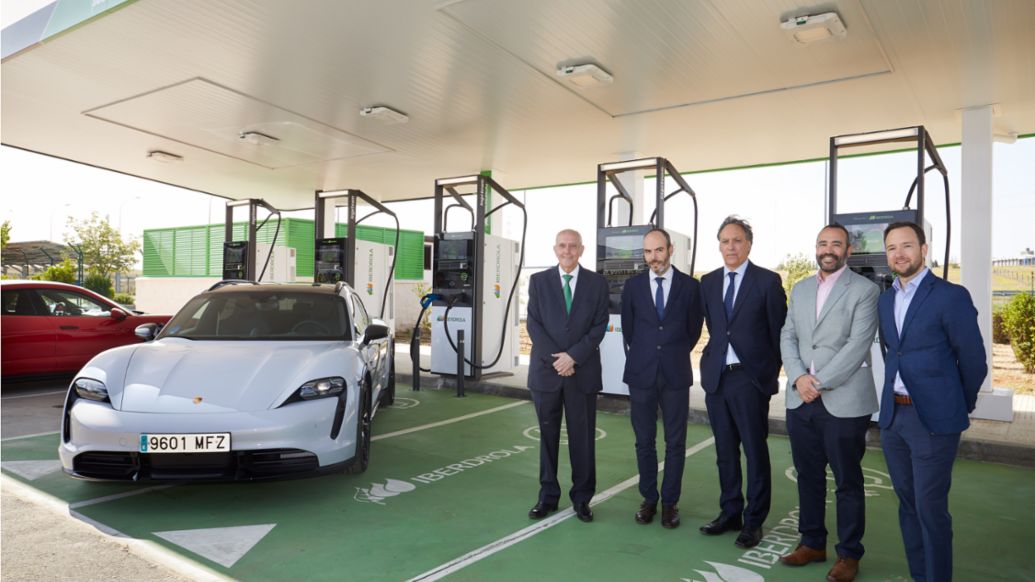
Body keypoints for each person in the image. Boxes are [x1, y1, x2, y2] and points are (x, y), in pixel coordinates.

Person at [877, 222, 987, 582]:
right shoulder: (886, 298)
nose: (899, 254)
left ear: (924, 249)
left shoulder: (950, 296)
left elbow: (973, 360)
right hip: (894, 418)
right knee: (908, 506)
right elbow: (894, 352)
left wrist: (957, 404)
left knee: (930, 509)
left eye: (907, 245)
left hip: (933, 422)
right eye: (892, 247)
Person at [779, 224, 880, 582]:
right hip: (800, 398)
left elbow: (857, 346)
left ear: (848, 250)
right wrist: (797, 378)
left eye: (836, 244)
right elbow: (788, 335)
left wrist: (817, 383)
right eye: (823, 243)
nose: (828, 249)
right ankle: (812, 542)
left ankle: (849, 554)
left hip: (844, 400)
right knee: (808, 476)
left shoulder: (865, 291)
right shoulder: (802, 289)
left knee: (847, 480)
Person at [698, 215, 787, 549]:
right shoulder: (707, 282)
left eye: (737, 240)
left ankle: (754, 521)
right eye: (725, 241)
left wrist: (768, 375)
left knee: (754, 450)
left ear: (749, 244)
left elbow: (779, 333)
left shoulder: (766, 281)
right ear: (719, 245)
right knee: (724, 452)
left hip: (750, 379)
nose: (730, 246)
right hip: (717, 379)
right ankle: (730, 512)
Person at [620, 227, 704, 529]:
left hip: (675, 373)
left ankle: (670, 502)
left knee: (675, 442)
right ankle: (649, 499)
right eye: (647, 252)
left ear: (670, 250)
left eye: (658, 250)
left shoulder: (690, 287)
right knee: (644, 441)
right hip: (641, 373)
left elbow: (693, 329)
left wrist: (670, 353)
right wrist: (648, 355)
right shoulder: (633, 286)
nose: (653, 257)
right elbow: (630, 330)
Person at [525, 229, 609, 523]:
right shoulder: (538, 282)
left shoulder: (597, 284)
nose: (567, 250)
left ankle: (582, 498)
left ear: (581, 250)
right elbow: (534, 325)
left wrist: (573, 357)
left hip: (581, 372)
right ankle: (547, 496)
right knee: (548, 437)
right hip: (547, 373)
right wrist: (559, 360)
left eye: (573, 246)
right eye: (562, 245)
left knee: (582, 439)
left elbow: (599, 325)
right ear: (555, 248)